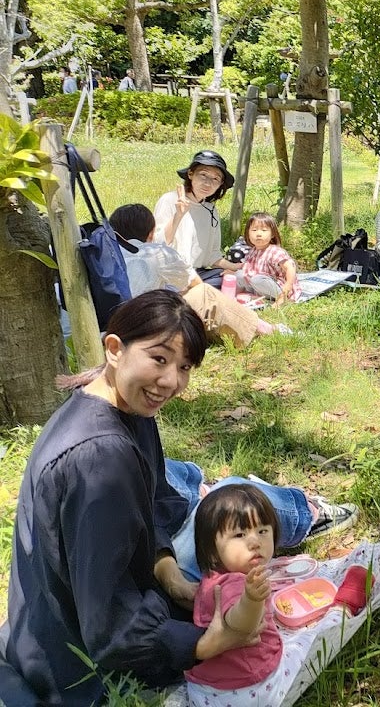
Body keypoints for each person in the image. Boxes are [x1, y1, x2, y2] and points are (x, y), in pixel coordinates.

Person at [5, 292, 259, 704]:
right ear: (114, 349)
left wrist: (169, 575)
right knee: (242, 507)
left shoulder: (125, 405)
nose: (171, 382)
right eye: (159, 359)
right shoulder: (101, 457)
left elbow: (152, 504)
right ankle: (309, 511)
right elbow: (111, 625)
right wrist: (208, 643)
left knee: (228, 501)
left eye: (184, 367)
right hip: (75, 662)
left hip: (69, 613)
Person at [184, 485, 301, 706]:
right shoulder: (235, 584)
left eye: (263, 531)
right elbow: (239, 625)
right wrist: (251, 600)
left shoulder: (211, 577)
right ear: (211, 550)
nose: (254, 541)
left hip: (205, 687)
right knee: (305, 646)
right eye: (239, 534)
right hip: (247, 688)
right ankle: (344, 605)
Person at [111, 204, 284, 347]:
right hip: (144, 326)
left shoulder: (106, 253)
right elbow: (194, 283)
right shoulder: (156, 253)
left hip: (111, 324)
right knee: (205, 294)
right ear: (150, 233)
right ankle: (262, 328)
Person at [153, 151, 239, 288]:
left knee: (232, 278)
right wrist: (178, 215)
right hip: (172, 273)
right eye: (203, 175)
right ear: (190, 174)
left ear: (221, 184)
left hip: (199, 273)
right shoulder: (169, 200)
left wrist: (237, 267)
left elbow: (213, 256)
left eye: (215, 179)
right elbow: (157, 245)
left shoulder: (211, 209)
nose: (208, 183)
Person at [238, 212, 301, 304]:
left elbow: (290, 267)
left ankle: (281, 298)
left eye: (264, 230)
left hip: (277, 287)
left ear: (272, 234)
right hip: (259, 286)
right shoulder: (253, 251)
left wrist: (288, 286)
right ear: (248, 233)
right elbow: (245, 265)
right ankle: (239, 297)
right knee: (239, 274)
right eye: (254, 230)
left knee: (257, 279)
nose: (258, 234)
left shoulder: (275, 251)